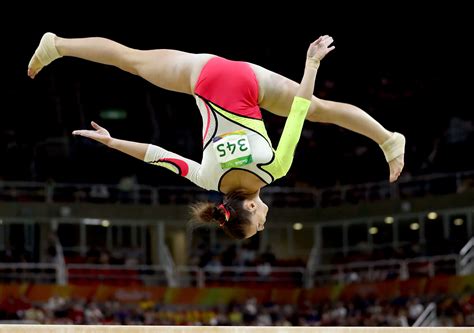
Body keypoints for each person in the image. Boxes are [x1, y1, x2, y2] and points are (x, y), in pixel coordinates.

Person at [27, 33, 405, 239]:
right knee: (131, 59)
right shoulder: (209, 179)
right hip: (202, 75)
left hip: (246, 82)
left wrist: (311, 64)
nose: (265, 222)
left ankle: (389, 140)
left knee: (321, 109)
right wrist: (113, 142)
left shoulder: (276, 168)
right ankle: (57, 45)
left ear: (253, 208)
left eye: (260, 225)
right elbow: (158, 155)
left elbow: (301, 110)